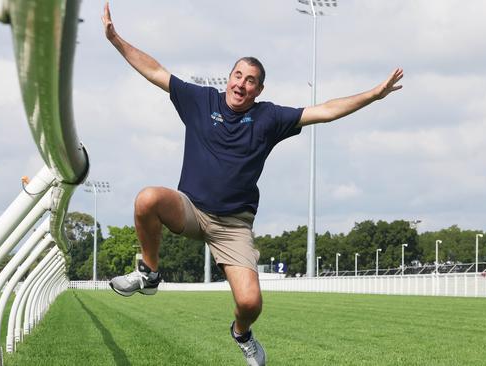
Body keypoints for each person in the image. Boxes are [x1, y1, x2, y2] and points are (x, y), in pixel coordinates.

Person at [101, 2, 403, 365]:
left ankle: (241, 333)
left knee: (249, 302)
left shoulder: (269, 117)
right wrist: (117, 40)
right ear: (228, 77)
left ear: (259, 90)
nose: (241, 84)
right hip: (191, 209)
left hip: (233, 226)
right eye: (238, 76)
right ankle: (149, 272)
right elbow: (155, 71)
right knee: (147, 198)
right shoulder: (201, 100)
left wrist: (373, 94)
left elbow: (324, 110)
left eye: (250, 81)